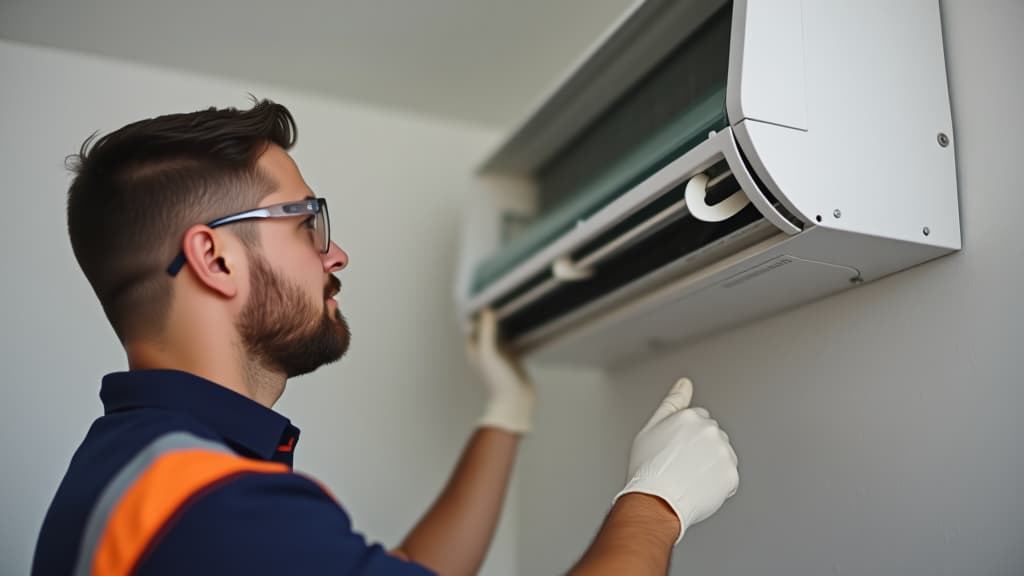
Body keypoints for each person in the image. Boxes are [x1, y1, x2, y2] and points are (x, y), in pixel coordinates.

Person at [32, 100, 739, 576]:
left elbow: (405, 565)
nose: (335, 256)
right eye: (307, 224)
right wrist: (657, 504)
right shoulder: (213, 506)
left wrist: (503, 416)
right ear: (215, 260)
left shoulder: (142, 469)